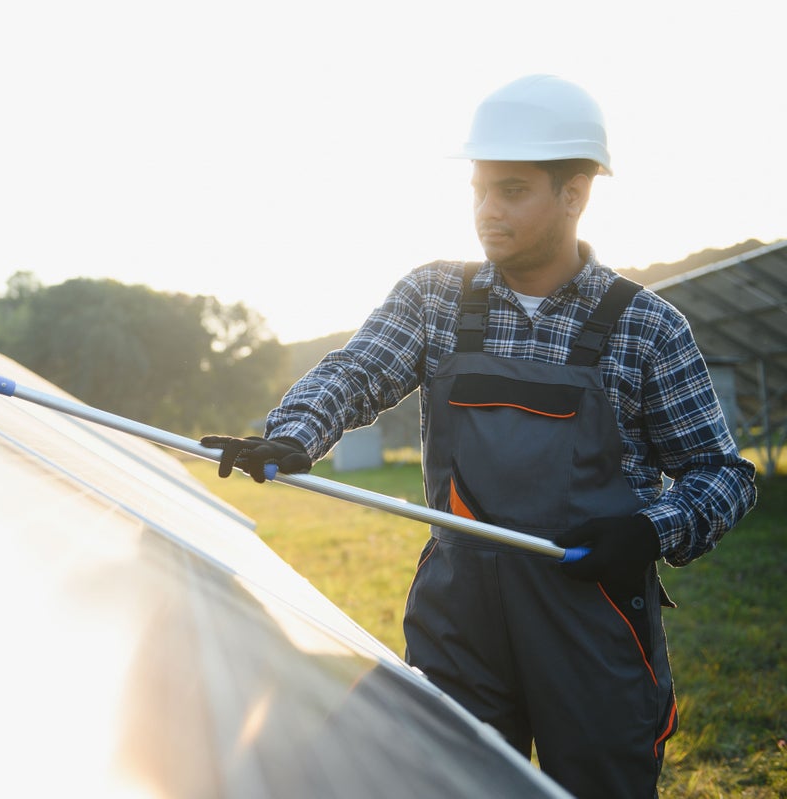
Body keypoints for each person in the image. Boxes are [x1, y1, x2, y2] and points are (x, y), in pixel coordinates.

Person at [200, 74, 757, 799]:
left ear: (575, 193)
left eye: (512, 191)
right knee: (439, 782)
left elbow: (723, 473)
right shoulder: (435, 296)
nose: (487, 212)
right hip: (458, 612)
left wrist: (649, 532)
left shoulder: (645, 326)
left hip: (592, 620)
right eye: (479, 190)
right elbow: (357, 370)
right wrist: (293, 436)